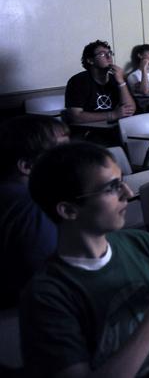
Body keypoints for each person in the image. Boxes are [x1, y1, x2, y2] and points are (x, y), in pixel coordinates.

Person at [22, 142, 149, 377]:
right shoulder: (47, 295)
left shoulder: (141, 243)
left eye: (122, 182)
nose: (128, 193)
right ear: (68, 210)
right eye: (111, 188)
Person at [0, 115, 69, 308]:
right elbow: (51, 276)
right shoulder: (34, 206)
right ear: (27, 166)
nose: (74, 158)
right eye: (61, 152)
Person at [65, 40, 136, 123]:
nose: (108, 57)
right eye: (102, 54)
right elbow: (76, 116)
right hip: (90, 129)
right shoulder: (78, 81)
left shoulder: (116, 78)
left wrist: (121, 82)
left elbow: (130, 109)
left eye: (110, 53)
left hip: (116, 127)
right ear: (90, 60)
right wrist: (112, 115)